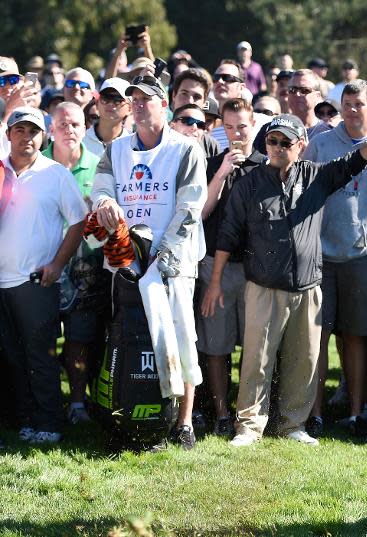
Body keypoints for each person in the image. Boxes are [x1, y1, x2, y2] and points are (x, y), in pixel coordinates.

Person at [201, 109, 367, 447]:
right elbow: (227, 235)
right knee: (256, 360)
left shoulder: (317, 176)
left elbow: (358, 159)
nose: (277, 147)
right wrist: (216, 282)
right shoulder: (249, 183)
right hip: (262, 286)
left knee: (304, 358)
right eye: (272, 141)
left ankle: (294, 424)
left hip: (308, 287)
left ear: (302, 145)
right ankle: (249, 426)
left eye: (285, 142)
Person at [91, 75, 207, 450]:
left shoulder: (185, 149)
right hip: (127, 262)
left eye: (146, 99)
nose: (138, 104)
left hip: (171, 262)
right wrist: (105, 202)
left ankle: (183, 422)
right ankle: (127, 411)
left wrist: (163, 256)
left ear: (164, 105)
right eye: (134, 99)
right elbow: (101, 186)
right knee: (126, 336)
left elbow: (190, 207)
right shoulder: (116, 149)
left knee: (180, 338)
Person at [304, 80, 367, 437]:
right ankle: (313, 412)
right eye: (345, 103)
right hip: (320, 257)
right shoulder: (320, 145)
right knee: (317, 334)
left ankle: (357, 410)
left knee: (357, 335)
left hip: (364, 256)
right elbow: (302, 193)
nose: (350, 110)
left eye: (358, 104)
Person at [0, 106, 88, 443]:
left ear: (44, 136)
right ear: (9, 134)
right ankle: (26, 419)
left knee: (41, 356)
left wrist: (57, 264)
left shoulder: (55, 174)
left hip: (36, 282)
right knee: (12, 356)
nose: (26, 137)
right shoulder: (0, 170)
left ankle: (49, 423)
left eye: (33, 131)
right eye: (20, 130)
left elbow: (78, 221)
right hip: (2, 282)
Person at [196, 97, 264, 437]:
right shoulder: (211, 163)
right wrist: (223, 171)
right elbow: (202, 212)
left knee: (254, 348)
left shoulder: (267, 164)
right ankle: (221, 412)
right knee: (215, 344)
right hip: (214, 268)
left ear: (254, 124)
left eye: (242, 126)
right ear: (222, 128)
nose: (237, 133)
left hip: (255, 270)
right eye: (229, 127)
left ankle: (247, 413)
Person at [43, 102, 107, 424]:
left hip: (86, 268)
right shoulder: (38, 164)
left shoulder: (99, 166)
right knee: (45, 338)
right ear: (51, 128)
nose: (70, 130)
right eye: (63, 124)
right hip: (44, 264)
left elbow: (107, 226)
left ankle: (78, 403)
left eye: (77, 124)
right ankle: (50, 399)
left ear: (86, 127)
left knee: (80, 338)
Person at [83, 77, 131, 157]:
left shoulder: (133, 146)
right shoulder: (81, 141)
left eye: (118, 100)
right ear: (97, 103)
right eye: (106, 98)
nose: (110, 104)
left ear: (130, 108)